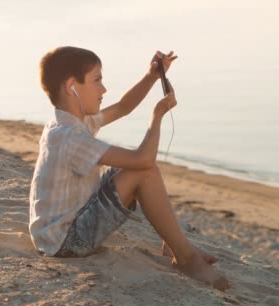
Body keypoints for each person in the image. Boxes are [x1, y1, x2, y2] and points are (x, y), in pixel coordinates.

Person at [29, 46, 229, 290]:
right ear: (72, 86)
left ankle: (175, 243)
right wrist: (157, 116)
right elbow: (144, 160)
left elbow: (123, 107)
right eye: (97, 81)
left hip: (57, 231)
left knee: (132, 170)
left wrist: (152, 76)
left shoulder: (70, 123)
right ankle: (186, 258)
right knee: (142, 172)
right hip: (65, 243)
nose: (104, 90)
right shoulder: (70, 137)